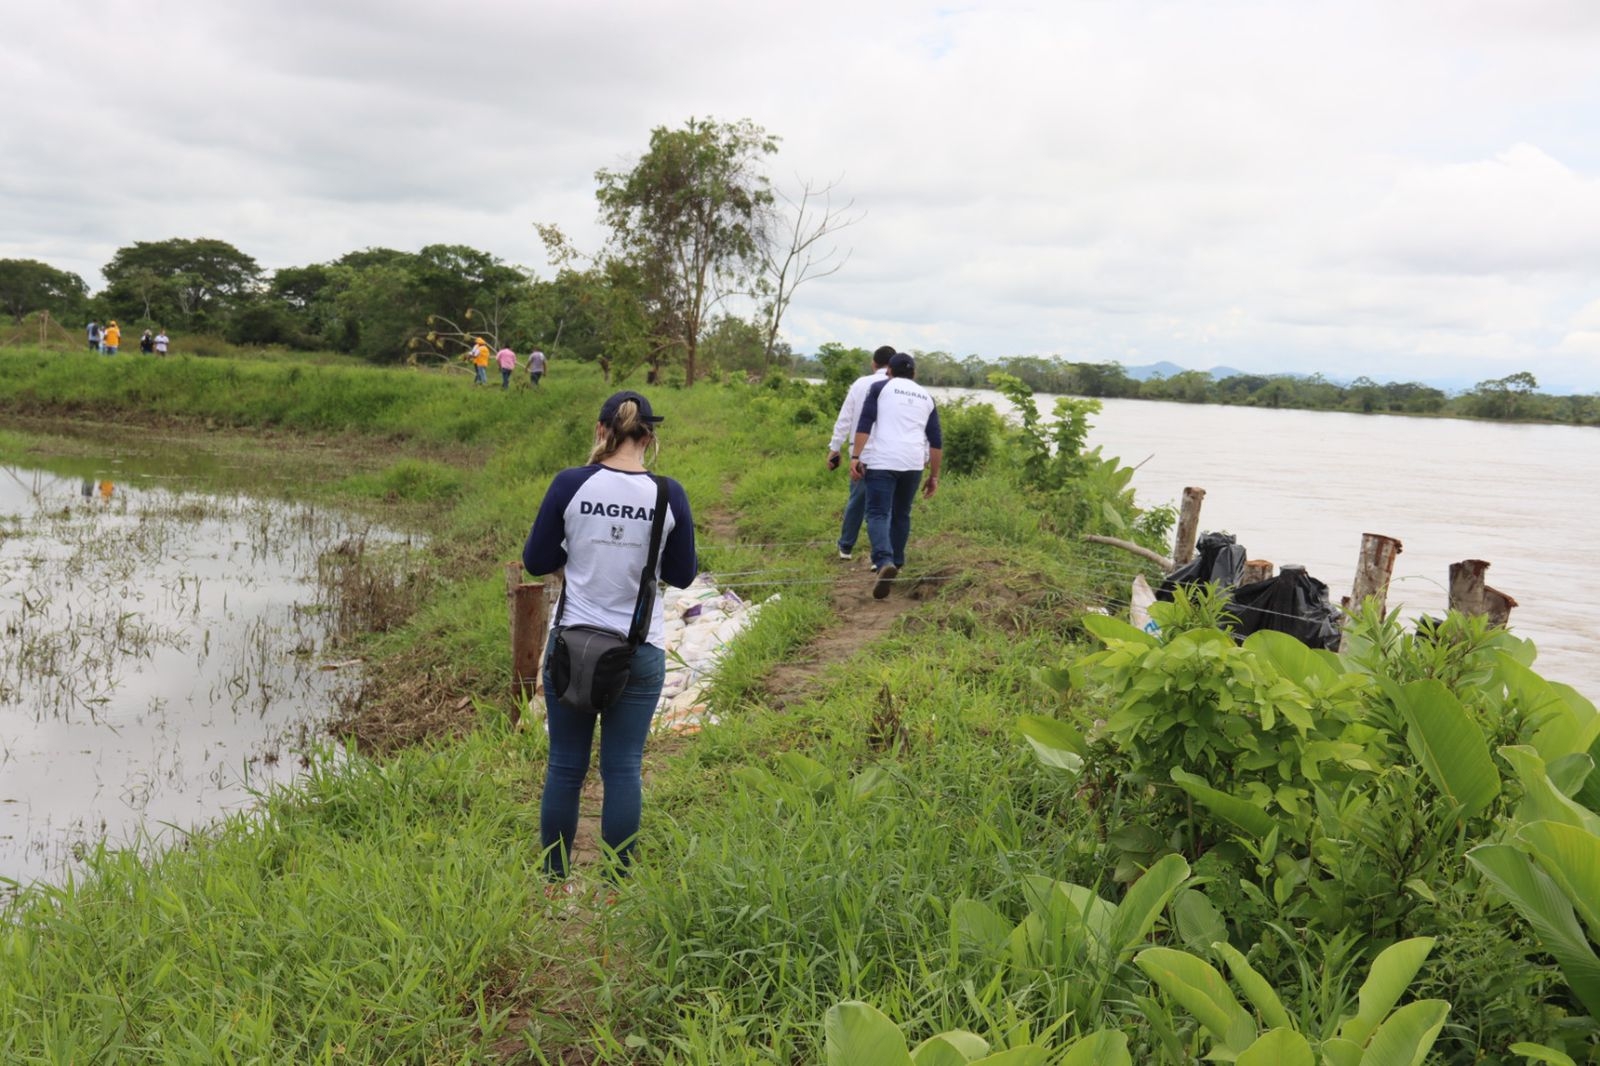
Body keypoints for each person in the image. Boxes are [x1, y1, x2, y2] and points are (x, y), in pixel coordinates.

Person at [523, 390, 697, 885]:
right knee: (622, 768)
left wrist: (578, 553)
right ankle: (617, 885)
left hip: (572, 645)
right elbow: (683, 575)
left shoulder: (569, 484)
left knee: (565, 766)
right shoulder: (669, 494)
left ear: (602, 432)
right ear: (649, 436)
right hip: (638, 651)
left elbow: (536, 561)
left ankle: (554, 882)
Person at [850, 352, 942, 599]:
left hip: (882, 460)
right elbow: (936, 441)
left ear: (889, 370)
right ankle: (897, 562)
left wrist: (856, 456)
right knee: (902, 512)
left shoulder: (880, 388)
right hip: (913, 463)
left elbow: (865, 422)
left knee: (878, 513)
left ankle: (883, 562)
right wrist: (934, 476)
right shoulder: (926, 396)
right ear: (914, 374)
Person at [826, 345, 895, 560]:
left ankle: (846, 547)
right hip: (891, 455)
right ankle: (884, 555)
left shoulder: (860, 384)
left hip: (862, 453)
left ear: (873, 363)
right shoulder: (900, 387)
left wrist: (834, 448)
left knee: (857, 500)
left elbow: (845, 418)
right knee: (885, 507)